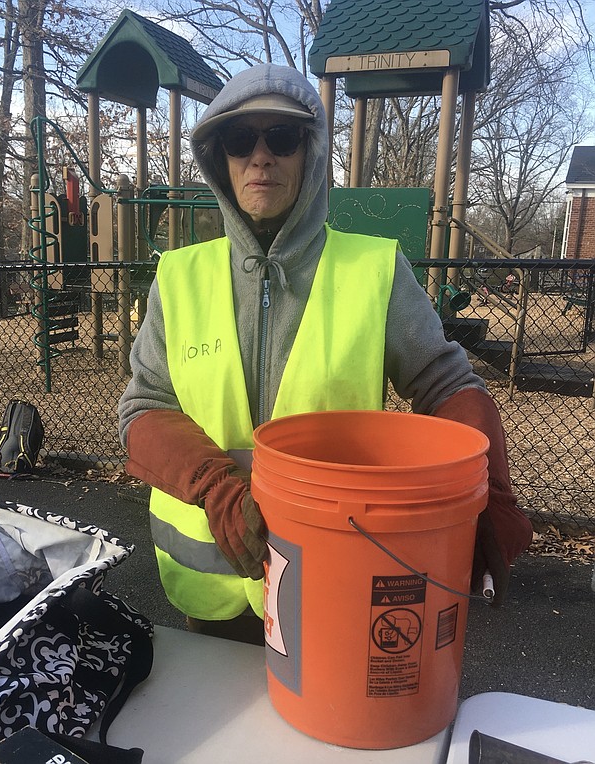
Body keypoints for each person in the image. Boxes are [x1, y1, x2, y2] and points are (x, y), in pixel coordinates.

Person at [118, 64, 533, 644]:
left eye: (281, 138)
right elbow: (145, 408)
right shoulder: (180, 277)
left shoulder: (374, 270)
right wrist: (215, 486)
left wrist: (489, 488)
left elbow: (446, 384)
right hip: (212, 589)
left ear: (309, 153)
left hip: (335, 573)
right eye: (241, 140)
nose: (260, 157)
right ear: (221, 159)